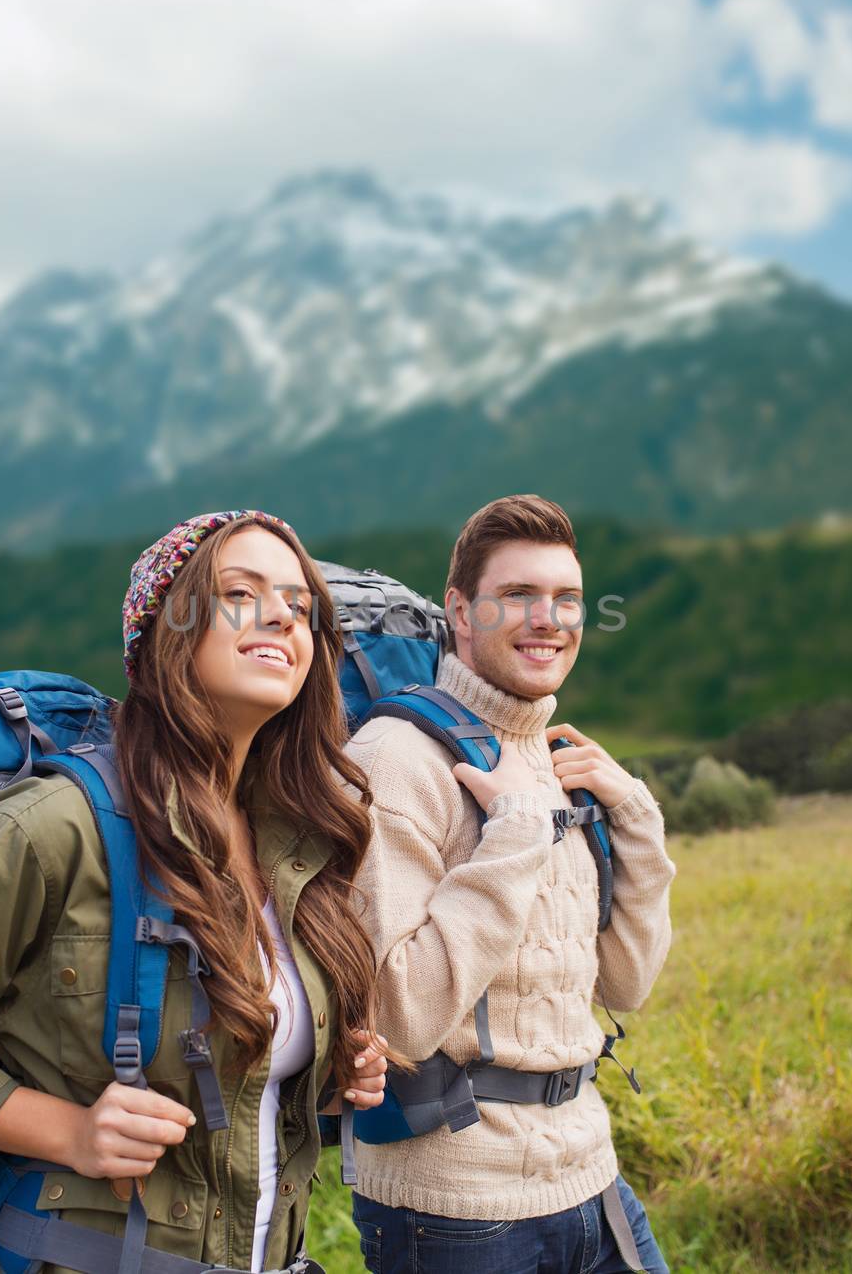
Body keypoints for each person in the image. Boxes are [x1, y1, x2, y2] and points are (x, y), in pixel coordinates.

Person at [0, 509, 389, 1273]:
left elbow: (224, 1082)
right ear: (164, 631)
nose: (282, 614)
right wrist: (68, 1133)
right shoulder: (55, 826)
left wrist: (324, 1070)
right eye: (241, 592)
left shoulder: (297, 845)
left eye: (300, 603)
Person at [346, 494, 676, 1274]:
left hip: (591, 1175)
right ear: (461, 611)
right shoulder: (394, 760)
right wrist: (517, 838)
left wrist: (634, 814)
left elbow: (626, 983)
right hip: (456, 1210)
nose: (549, 619)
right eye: (518, 596)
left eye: (566, 599)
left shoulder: (557, 759)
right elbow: (395, 1015)